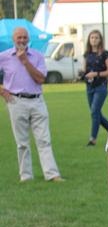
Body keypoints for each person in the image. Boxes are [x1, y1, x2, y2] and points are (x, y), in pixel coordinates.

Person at [0, 27, 64, 182]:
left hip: (37, 101)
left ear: (28, 39)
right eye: (19, 37)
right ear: (13, 39)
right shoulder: (4, 57)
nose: (22, 40)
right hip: (16, 101)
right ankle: (26, 176)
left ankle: (52, 174)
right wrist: (2, 91)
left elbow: (40, 79)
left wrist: (25, 61)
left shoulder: (37, 56)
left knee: (44, 140)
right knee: (22, 143)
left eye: (24, 37)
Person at [82, 29, 108, 146]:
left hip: (101, 87)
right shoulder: (87, 54)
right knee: (96, 114)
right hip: (89, 87)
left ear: (100, 40)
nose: (94, 40)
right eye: (92, 37)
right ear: (89, 40)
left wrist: (95, 74)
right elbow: (85, 70)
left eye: (96, 37)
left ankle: (93, 139)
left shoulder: (105, 54)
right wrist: (83, 75)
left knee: (94, 111)